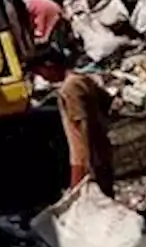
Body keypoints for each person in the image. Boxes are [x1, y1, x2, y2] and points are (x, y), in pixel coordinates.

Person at [29, 50, 115, 199]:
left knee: (94, 200)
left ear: (49, 66)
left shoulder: (69, 88)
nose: (42, 77)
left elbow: (81, 126)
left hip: (88, 157)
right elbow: (106, 101)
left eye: (40, 72)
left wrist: (82, 168)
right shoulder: (83, 79)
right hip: (101, 149)